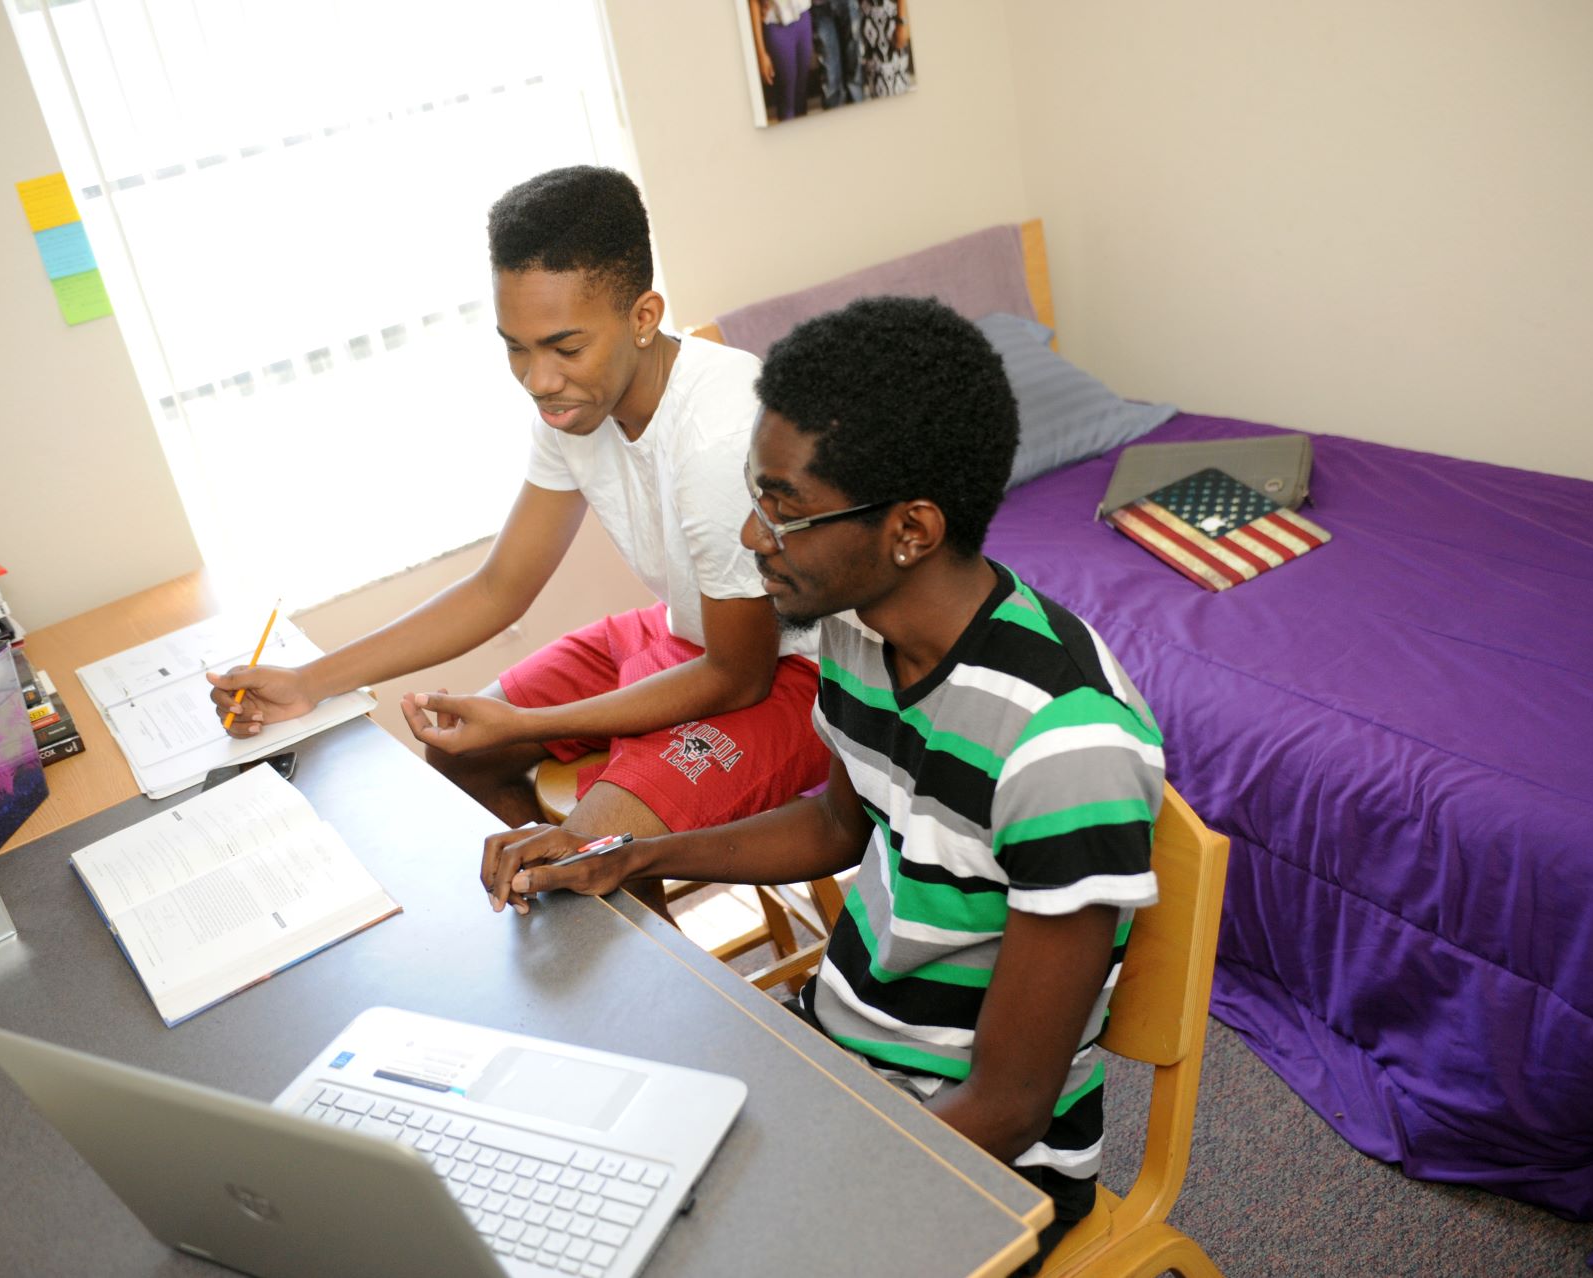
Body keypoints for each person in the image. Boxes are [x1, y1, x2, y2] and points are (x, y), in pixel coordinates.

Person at [478, 296, 1164, 1256]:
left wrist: (791, 1199)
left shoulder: (1065, 748)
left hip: (983, 1161)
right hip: (836, 1059)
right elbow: (836, 828)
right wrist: (630, 855)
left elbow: (1007, 1109)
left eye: (783, 508)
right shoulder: (858, 630)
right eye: (755, 498)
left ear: (910, 531)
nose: (754, 536)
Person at [209, 167, 829, 915]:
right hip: (688, 635)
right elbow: (500, 587)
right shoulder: (574, 410)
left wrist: (533, 726)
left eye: (565, 347)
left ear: (643, 316)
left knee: (581, 855)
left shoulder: (717, 434)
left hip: (797, 675)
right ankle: (608, 929)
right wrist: (310, 681)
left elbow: (739, 677)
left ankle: (626, 955)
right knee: (462, 753)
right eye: (516, 349)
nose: (538, 380)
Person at [749, 0, 814, 122]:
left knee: (801, 96)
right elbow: (754, 3)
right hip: (776, 25)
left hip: (803, 19)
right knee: (787, 99)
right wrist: (761, 54)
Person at [812, 0, 863, 110]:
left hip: (847, 4)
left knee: (854, 75)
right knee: (830, 81)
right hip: (819, 7)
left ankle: (861, 122)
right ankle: (837, 126)